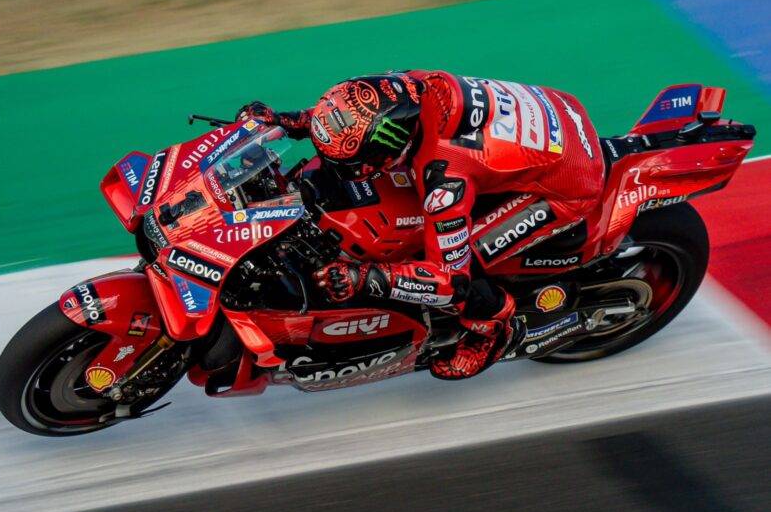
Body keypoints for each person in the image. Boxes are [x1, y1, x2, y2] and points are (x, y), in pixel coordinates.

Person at [237, 71, 603, 380]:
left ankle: (493, 328)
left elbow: (450, 280)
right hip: (560, 109)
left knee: (468, 264)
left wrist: (366, 278)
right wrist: (284, 121)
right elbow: (346, 116)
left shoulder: (443, 181)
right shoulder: (404, 88)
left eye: (352, 164)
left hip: (566, 186)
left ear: (391, 148)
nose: (340, 169)